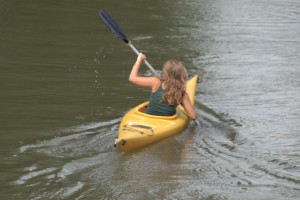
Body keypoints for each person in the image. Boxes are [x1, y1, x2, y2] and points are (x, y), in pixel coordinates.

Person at [129, 53, 197, 120]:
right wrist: (182, 103)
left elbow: (132, 78)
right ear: (181, 75)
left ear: (165, 72)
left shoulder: (155, 81)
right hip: (164, 122)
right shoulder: (182, 94)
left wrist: (139, 59)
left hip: (147, 119)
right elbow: (193, 116)